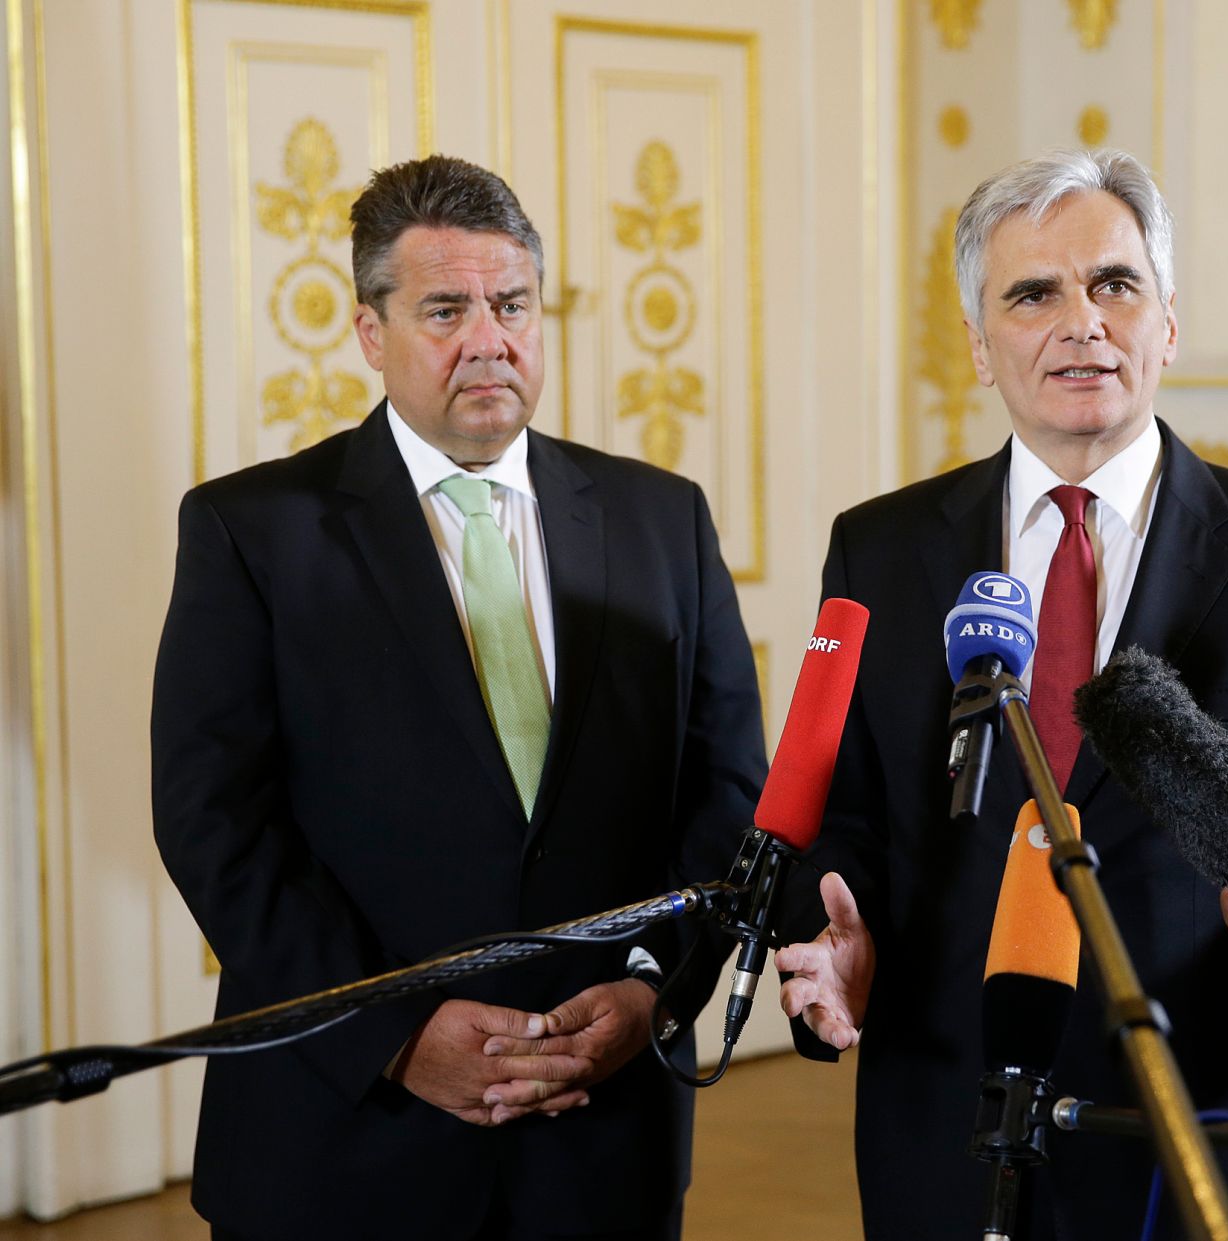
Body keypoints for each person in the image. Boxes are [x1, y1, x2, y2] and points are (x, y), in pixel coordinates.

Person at [775, 148, 1228, 1239]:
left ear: (1166, 323)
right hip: (943, 1107)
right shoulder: (881, 547)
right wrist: (832, 935)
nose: (1080, 321)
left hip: (1198, 1113)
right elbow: (842, 810)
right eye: (1032, 293)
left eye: (1114, 285)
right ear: (977, 344)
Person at [151, 155, 766, 1241]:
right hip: (345, 1141)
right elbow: (217, 826)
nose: (489, 338)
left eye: (512, 303)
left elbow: (724, 788)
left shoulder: (661, 517)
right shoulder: (253, 531)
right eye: (445, 307)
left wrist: (651, 990)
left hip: (602, 1130)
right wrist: (391, 1031)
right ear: (368, 331)